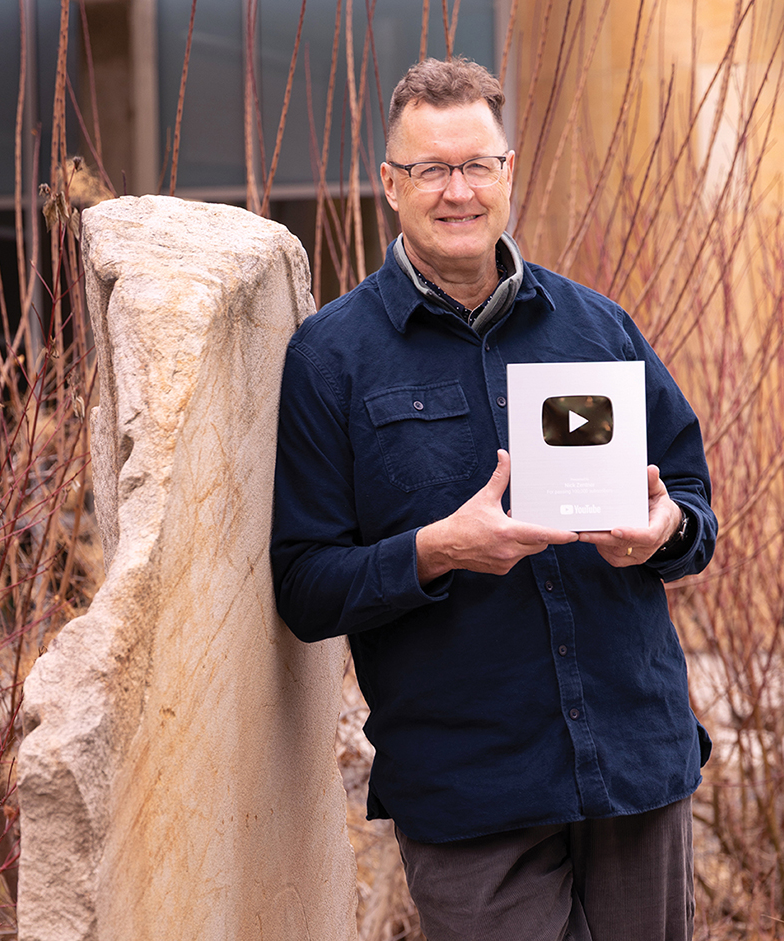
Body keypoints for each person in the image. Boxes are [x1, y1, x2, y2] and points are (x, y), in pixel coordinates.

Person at [270, 56, 716, 941]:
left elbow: (691, 498)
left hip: (635, 755)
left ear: (507, 172)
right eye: (430, 169)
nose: (458, 191)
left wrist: (665, 531)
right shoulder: (331, 359)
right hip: (470, 787)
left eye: (476, 164)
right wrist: (436, 550)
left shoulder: (597, 327)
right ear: (389, 184)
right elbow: (305, 585)